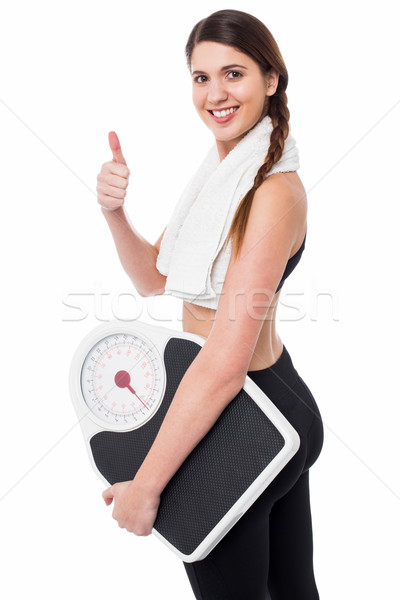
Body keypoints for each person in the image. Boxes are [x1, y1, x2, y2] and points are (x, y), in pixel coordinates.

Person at [97, 9, 324, 600]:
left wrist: (147, 487)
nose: (215, 94)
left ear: (271, 80)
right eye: (201, 78)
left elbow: (225, 357)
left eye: (233, 73)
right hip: (253, 401)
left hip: (248, 409)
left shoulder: (272, 191)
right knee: (292, 590)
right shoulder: (220, 176)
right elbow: (153, 277)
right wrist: (115, 212)